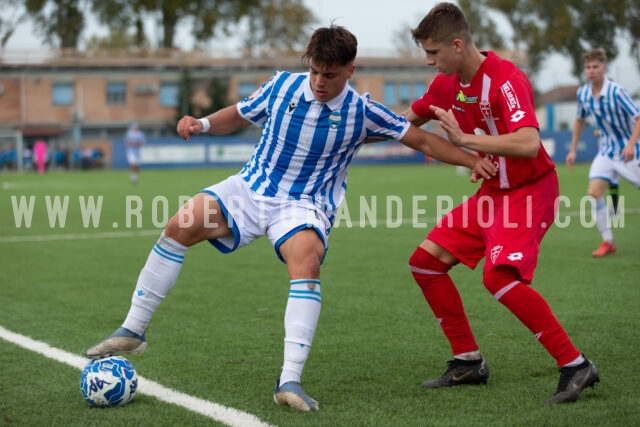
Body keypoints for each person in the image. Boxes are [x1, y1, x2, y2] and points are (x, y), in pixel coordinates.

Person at [84, 24, 496, 411]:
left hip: (306, 204)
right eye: (315, 71)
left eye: (330, 75)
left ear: (350, 71)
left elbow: (421, 138)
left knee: (306, 261)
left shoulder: (363, 110)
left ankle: (289, 381)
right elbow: (240, 114)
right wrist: (203, 122)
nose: (319, 81)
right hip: (251, 189)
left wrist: (470, 159)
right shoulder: (282, 86)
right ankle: (133, 330)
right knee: (179, 225)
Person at [402, 3, 599, 404]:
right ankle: (468, 361)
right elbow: (405, 120)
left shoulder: (507, 79)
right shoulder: (446, 84)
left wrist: (466, 142)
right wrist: (354, 123)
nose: (428, 61)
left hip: (531, 192)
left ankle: (576, 365)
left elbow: (528, 143)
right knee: (425, 262)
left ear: (457, 45)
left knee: (499, 277)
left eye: (433, 53)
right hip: (492, 196)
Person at [566, 48, 640, 257]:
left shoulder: (617, 92)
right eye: (588, 67)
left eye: (595, 67)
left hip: (629, 152)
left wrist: (631, 145)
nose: (591, 71)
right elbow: (580, 119)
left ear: (603, 68)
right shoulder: (583, 93)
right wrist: (572, 150)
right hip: (606, 152)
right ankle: (608, 241)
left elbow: (638, 117)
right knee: (594, 193)